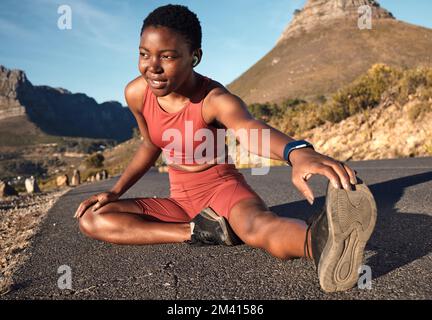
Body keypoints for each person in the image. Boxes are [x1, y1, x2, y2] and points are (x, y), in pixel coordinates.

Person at [73, 4, 377, 293]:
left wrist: (297, 152)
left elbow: (250, 129)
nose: (152, 67)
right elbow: (151, 143)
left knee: (259, 227)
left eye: (167, 56)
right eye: (144, 54)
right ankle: (199, 232)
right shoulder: (136, 93)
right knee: (93, 218)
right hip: (181, 203)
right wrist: (116, 192)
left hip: (223, 191)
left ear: (195, 56)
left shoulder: (214, 99)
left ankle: (321, 242)